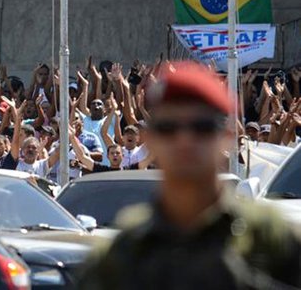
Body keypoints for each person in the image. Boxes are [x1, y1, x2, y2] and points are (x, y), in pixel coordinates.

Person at [77, 62, 301, 289]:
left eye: (201, 127)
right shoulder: (122, 255)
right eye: (169, 128)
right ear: (151, 141)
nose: (185, 141)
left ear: (226, 137)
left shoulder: (272, 241)